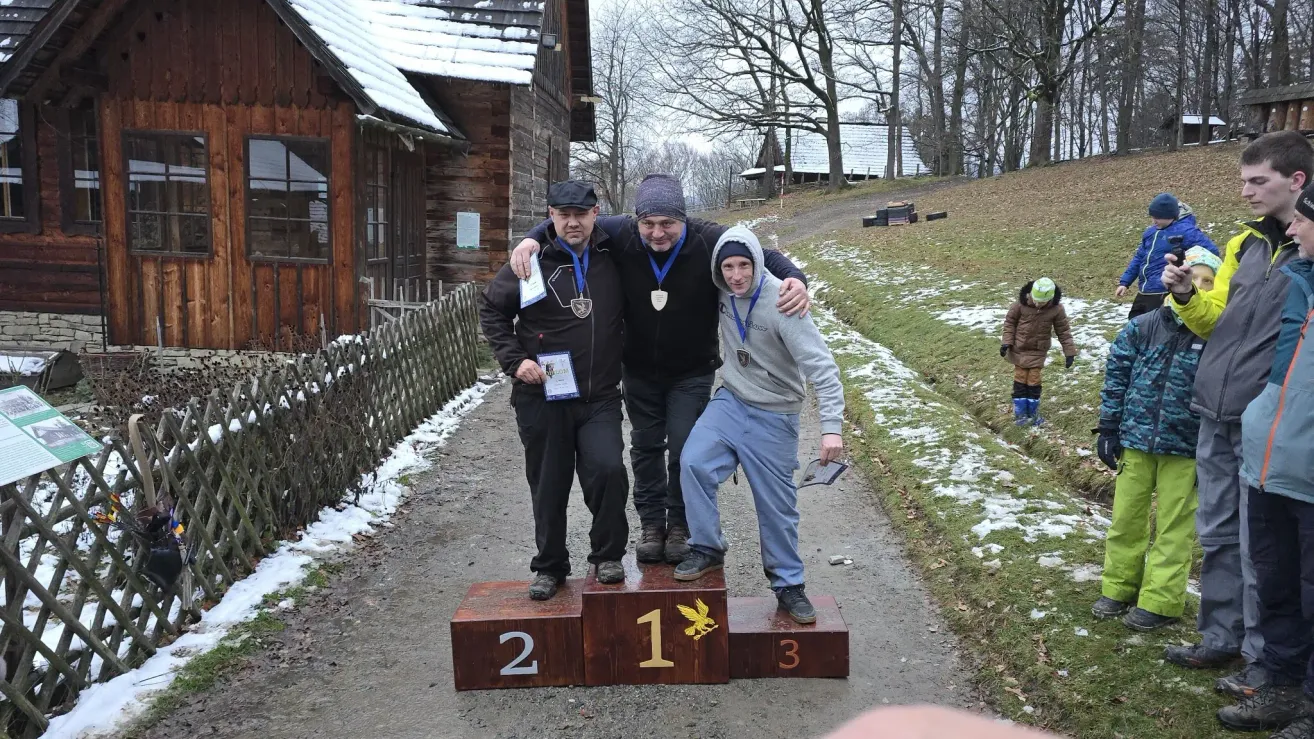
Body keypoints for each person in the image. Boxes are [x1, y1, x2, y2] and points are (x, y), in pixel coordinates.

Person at [507, 174, 810, 566]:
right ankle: (652, 524)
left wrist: (796, 280)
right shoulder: (621, 231)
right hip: (638, 371)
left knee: (685, 449)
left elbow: (763, 252)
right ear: (636, 221)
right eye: (648, 223)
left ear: (683, 220)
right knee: (645, 448)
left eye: (667, 223)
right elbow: (570, 221)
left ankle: (680, 524)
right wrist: (533, 237)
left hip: (692, 371)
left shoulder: (707, 238)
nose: (657, 232)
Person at [1159, 132, 1314, 698]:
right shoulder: (1241, 245)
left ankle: (1261, 659)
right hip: (1214, 410)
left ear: (1296, 181)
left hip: (1268, 422)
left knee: (1262, 549)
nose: (1245, 192)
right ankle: (1220, 636)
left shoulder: (1309, 249)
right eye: (1243, 181)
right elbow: (1215, 322)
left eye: (1258, 181)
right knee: (1218, 532)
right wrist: (1183, 298)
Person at [673, 226, 844, 625]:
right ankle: (708, 547)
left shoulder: (784, 302)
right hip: (731, 400)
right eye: (728, 267)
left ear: (757, 263)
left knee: (776, 508)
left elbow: (823, 368)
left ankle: (788, 585)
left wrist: (831, 427)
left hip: (775, 414)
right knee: (693, 463)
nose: (736, 275)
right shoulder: (721, 290)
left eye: (744, 265)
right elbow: (679, 231)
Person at [479, 180, 629, 600]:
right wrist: (515, 361)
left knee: (609, 470)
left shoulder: (612, 251)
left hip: (599, 395)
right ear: (551, 214)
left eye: (580, 214)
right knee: (548, 483)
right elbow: (491, 308)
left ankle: (607, 555)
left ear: (595, 214)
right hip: (542, 395)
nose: (572, 223)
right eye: (563, 215)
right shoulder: (530, 258)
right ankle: (550, 565)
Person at [1219, 183, 1314, 738]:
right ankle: (1278, 681)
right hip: (1271, 461)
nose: (1293, 229)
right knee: (1277, 581)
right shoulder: (1299, 282)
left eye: (1304, 221)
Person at [1092, 247, 1220, 631]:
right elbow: (1116, 378)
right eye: (1190, 276)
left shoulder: (1217, 333)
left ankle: (1161, 601)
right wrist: (1109, 428)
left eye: (1206, 281)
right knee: (1126, 519)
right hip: (1136, 440)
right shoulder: (1143, 326)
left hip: (1186, 447)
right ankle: (1118, 587)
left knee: (1174, 527)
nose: (1196, 285)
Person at [1116, 193, 1219, 318]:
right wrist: (1125, 282)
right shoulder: (1150, 233)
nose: (1154, 221)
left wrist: (1187, 268)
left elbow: (1210, 252)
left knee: (1160, 329)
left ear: (1170, 216)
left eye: (1158, 217)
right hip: (1145, 291)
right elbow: (1139, 258)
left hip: (1165, 291)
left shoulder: (1187, 232)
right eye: (1152, 217)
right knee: (1135, 323)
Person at [1000, 277, 1078, 427]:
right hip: (1019, 349)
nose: (1037, 304)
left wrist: (1069, 352)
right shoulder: (1019, 306)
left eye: (1041, 302)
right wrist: (1006, 343)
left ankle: (1033, 413)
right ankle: (1020, 414)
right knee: (1021, 377)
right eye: (1035, 300)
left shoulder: (1056, 309)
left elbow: (1063, 331)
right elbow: (1009, 324)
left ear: (1049, 299)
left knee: (1034, 379)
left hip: (1038, 350)